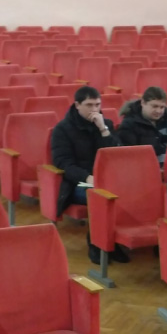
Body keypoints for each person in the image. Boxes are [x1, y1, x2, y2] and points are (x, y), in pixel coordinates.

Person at [50, 86, 119, 263]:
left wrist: (103, 130)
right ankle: (96, 244)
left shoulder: (106, 124)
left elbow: (116, 155)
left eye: (97, 105)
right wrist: (87, 177)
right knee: (99, 195)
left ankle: (113, 241)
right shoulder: (62, 129)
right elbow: (63, 163)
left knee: (123, 192)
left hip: (105, 180)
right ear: (77, 105)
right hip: (77, 183)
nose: (94, 109)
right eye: (89, 105)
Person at [117, 86, 167, 163]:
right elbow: (129, 156)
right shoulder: (129, 125)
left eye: (162, 107)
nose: (158, 111)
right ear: (143, 103)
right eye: (154, 106)